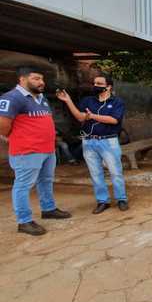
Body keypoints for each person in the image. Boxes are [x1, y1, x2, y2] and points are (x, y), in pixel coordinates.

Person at [0, 66, 71, 236]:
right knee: (23, 185)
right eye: (36, 79)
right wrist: (13, 138)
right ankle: (24, 222)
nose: (41, 82)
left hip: (47, 149)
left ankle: (48, 209)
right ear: (22, 79)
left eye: (41, 79)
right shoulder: (12, 97)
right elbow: (3, 125)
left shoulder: (41, 98)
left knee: (46, 180)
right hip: (27, 151)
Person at [57, 73, 129, 214]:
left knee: (115, 172)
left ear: (108, 87)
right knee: (95, 173)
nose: (95, 86)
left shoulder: (117, 102)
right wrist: (68, 101)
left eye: (99, 84)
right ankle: (103, 201)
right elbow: (79, 117)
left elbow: (113, 120)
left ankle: (121, 199)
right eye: (94, 83)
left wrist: (92, 116)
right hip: (89, 142)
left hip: (108, 141)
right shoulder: (88, 101)